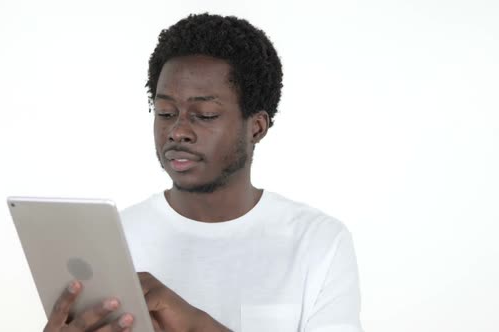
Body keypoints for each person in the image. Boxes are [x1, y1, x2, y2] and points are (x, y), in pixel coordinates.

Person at [44, 13, 362, 332]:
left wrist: (198, 326)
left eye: (205, 115)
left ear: (257, 126)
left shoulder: (318, 243)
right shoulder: (115, 242)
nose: (178, 131)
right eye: (165, 112)